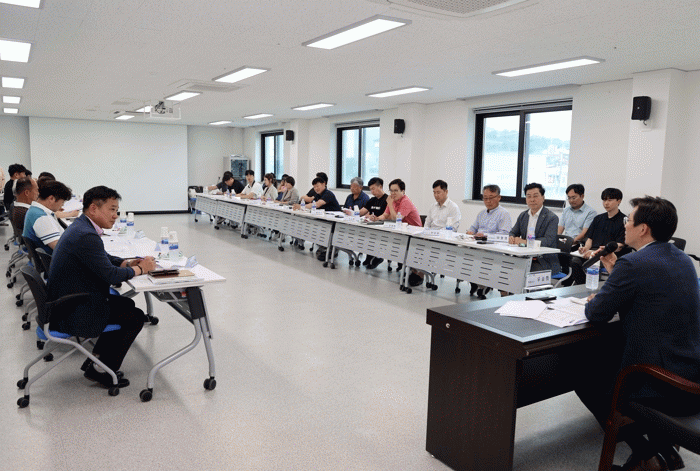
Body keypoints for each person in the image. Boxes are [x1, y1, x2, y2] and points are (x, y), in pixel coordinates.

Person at [576, 196, 700, 471]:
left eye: (628, 220)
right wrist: (615, 270)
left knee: (583, 376)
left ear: (643, 229)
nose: (625, 225)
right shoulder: (682, 259)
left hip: (660, 380)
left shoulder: (633, 263)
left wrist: (593, 300)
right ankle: (664, 449)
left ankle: (646, 455)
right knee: (607, 356)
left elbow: (597, 313)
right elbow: (649, 291)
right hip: (690, 368)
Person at [47, 186, 157, 388]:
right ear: (93, 209)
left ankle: (98, 360)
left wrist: (127, 263)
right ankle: (102, 371)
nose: (115, 216)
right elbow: (110, 275)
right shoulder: (86, 235)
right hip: (73, 310)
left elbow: (103, 258)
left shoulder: (81, 227)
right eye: (112, 210)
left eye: (117, 210)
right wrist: (141, 269)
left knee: (126, 305)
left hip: (66, 301)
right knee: (134, 317)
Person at [567, 188, 627, 285]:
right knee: (575, 261)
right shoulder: (598, 218)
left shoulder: (624, 220)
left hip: (609, 254)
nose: (606, 203)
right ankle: (581, 286)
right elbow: (590, 239)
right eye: (604, 200)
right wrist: (585, 248)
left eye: (610, 200)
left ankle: (594, 288)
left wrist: (595, 253)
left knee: (593, 263)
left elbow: (620, 245)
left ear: (619, 201)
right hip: (592, 252)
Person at [467, 184, 512, 298]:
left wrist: (485, 236)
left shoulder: (504, 214)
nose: (488, 201)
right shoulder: (481, 213)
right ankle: (479, 284)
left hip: (495, 250)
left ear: (499, 197)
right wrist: (470, 232)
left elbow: (504, 235)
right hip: (479, 247)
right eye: (485, 198)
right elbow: (473, 228)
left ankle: (492, 289)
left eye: (491, 198)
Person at [509, 182, 560, 275]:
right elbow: (513, 232)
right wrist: (511, 237)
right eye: (528, 196)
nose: (532, 200)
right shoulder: (523, 215)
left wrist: (526, 242)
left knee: (521, 271)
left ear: (543, 198)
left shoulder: (552, 218)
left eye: (535, 196)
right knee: (506, 265)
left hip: (543, 260)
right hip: (524, 256)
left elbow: (548, 241)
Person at [293, 177, 341, 260]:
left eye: (317, 186)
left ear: (324, 184)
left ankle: (331, 250)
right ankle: (323, 248)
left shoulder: (328, 194)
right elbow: (312, 204)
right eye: (314, 187)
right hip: (324, 220)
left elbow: (317, 204)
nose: (316, 188)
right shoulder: (318, 195)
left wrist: (301, 207)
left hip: (334, 222)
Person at [23, 180, 72, 255]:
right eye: (62, 202)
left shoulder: (34, 210)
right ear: (51, 198)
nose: (62, 205)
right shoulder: (42, 218)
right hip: (58, 260)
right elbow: (61, 249)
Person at [361, 177, 389, 269]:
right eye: (370, 189)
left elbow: (388, 216)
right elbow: (362, 211)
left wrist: (376, 218)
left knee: (372, 235)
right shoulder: (372, 200)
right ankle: (369, 256)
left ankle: (377, 257)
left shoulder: (387, 200)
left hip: (383, 227)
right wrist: (352, 213)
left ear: (380, 187)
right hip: (372, 226)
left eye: (373, 189)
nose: (372, 191)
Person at [558, 183, 597, 248]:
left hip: (580, 245)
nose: (571, 201)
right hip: (566, 242)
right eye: (569, 198)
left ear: (582, 196)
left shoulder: (590, 212)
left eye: (574, 198)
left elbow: (584, 233)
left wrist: (570, 242)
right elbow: (560, 228)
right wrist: (557, 239)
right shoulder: (566, 211)